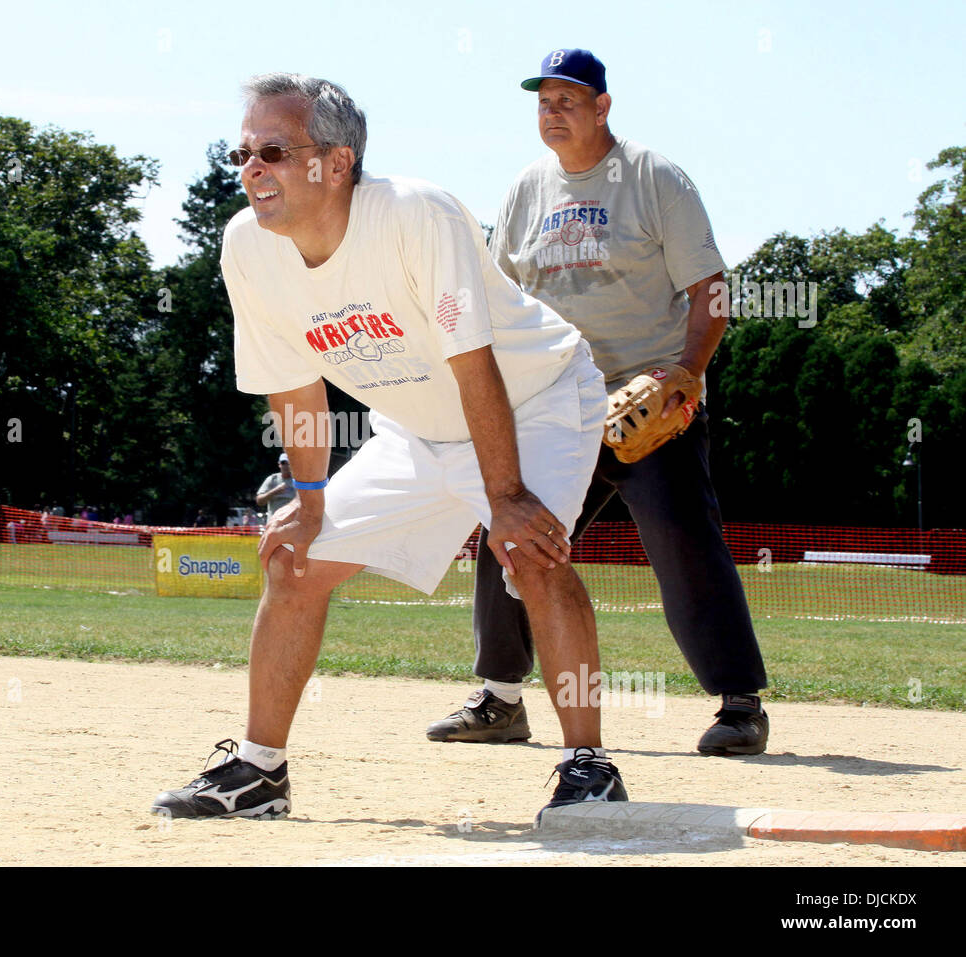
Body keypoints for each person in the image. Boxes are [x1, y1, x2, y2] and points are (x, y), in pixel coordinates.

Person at [152, 73, 624, 822]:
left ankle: (588, 767)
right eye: (242, 152)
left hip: (534, 399)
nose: (251, 168)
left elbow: (476, 362)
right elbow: (295, 390)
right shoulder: (249, 247)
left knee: (532, 551)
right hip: (415, 427)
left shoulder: (414, 215)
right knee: (294, 560)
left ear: (337, 163)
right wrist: (308, 503)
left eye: (273, 149)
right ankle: (258, 772)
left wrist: (505, 500)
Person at [426, 49, 769, 756]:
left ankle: (740, 704)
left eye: (567, 100)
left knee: (682, 538)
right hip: (555, 398)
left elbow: (710, 289)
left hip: (647, 394)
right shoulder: (525, 190)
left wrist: (687, 371)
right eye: (544, 102)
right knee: (514, 523)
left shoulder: (653, 178)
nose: (553, 113)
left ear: (603, 106)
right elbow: (500, 296)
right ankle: (500, 698)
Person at [255, 452, 296, 520]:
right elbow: (259, 501)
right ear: (279, 464)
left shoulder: (298, 481)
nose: (286, 466)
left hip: (292, 524)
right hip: (274, 524)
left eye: (288, 463)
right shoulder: (272, 479)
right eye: (283, 463)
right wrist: (274, 491)